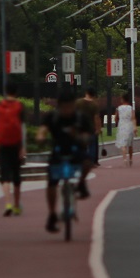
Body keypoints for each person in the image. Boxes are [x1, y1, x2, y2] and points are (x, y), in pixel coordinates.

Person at [43, 87, 87, 235]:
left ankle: (81, 183)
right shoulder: (52, 117)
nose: (68, 109)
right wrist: (40, 136)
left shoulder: (80, 118)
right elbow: (42, 130)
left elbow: (87, 136)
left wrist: (81, 137)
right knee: (51, 183)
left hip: (76, 151)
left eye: (70, 106)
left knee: (88, 162)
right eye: (64, 106)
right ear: (59, 105)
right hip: (58, 151)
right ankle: (52, 214)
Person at [0, 82, 27, 217]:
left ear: (6, 91)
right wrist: (23, 147)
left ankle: (7, 203)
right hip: (16, 144)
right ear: (16, 91)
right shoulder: (20, 106)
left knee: (4, 175)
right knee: (16, 175)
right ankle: (16, 205)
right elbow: (23, 128)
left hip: (2, 144)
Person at [76, 87, 103, 198]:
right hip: (90, 128)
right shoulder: (94, 105)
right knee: (92, 145)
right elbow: (96, 117)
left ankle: (80, 160)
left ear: (86, 92)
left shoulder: (78, 102)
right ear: (94, 94)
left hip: (79, 128)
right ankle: (92, 161)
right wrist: (98, 128)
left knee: (80, 146)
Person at [114, 95, 136, 166]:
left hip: (122, 125)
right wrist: (135, 127)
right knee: (130, 144)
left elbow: (116, 118)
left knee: (123, 144)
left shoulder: (119, 108)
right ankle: (131, 159)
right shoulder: (130, 108)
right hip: (129, 125)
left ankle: (124, 158)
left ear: (122, 100)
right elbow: (133, 118)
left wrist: (117, 121)